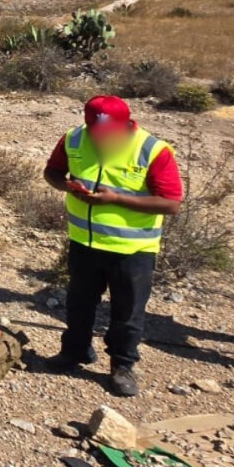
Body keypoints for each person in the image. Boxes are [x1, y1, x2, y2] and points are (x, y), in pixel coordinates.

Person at [40, 96, 183, 398]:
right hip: (84, 241)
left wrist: (116, 200)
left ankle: (122, 366)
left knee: (127, 311)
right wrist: (67, 187)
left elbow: (171, 204)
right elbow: (52, 172)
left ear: (128, 122)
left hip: (133, 249)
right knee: (79, 303)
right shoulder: (74, 138)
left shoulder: (152, 149)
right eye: (98, 132)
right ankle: (74, 353)